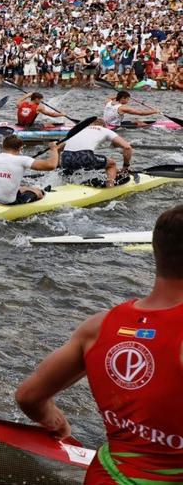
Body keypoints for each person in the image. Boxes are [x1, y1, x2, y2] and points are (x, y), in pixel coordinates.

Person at [15, 205, 183, 484]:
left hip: (106, 476)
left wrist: (56, 421)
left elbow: (28, 396)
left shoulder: (98, 327)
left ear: (156, 253)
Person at [0, 135, 60, 204]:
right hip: (8, 203)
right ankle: (42, 193)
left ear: (3, 146)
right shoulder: (22, 160)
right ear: (20, 148)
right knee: (38, 192)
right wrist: (54, 149)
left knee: (24, 188)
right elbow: (52, 165)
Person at [61, 124, 135, 188]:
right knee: (111, 164)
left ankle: (65, 188)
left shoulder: (80, 130)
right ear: (104, 126)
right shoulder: (105, 130)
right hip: (85, 155)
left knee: (70, 173)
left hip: (65, 157)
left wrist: (58, 165)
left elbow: (57, 149)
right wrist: (125, 166)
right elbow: (127, 147)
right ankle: (110, 187)